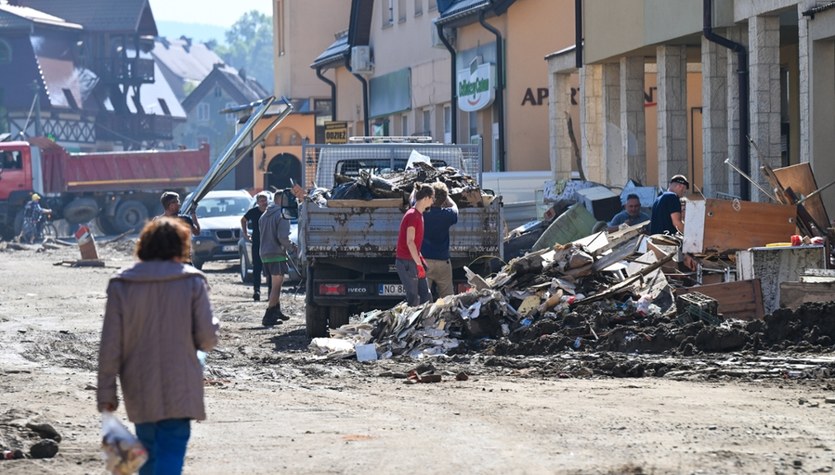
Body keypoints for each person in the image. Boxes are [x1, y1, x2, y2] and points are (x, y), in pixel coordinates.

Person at [97, 217, 219, 475]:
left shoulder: (122, 284)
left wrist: (106, 393)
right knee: (171, 449)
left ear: (144, 246)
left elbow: (110, 346)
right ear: (181, 246)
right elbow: (207, 339)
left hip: (139, 386)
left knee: (147, 453)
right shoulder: (192, 282)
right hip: (180, 383)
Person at [259, 190, 296, 327]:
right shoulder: (282, 215)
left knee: (273, 284)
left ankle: (276, 311)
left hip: (264, 254)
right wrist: (292, 247)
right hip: (276, 254)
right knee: (276, 287)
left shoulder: (264, 215)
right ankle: (268, 316)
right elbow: (282, 238)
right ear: (281, 200)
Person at [395, 183, 435, 306]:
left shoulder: (418, 214)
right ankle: (412, 325)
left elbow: (414, 243)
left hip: (413, 261)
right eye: (432, 198)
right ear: (426, 198)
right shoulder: (413, 216)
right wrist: (418, 264)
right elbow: (410, 241)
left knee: (426, 296)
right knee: (414, 299)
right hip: (406, 262)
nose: (433, 202)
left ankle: (427, 324)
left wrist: (420, 260)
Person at [420, 182, 458, 298]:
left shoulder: (422, 213)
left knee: (423, 299)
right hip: (443, 262)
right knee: (448, 299)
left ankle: (426, 316)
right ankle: (446, 316)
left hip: (425, 262)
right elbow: (455, 208)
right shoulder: (448, 215)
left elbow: (413, 200)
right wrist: (447, 198)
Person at [241, 191, 272, 302]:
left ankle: (270, 292)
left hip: (269, 243)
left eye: (265, 200)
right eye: (261, 201)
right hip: (257, 243)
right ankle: (256, 291)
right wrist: (246, 234)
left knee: (269, 269)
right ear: (258, 202)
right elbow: (243, 220)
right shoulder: (253, 212)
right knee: (257, 268)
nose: (263, 203)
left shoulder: (270, 212)